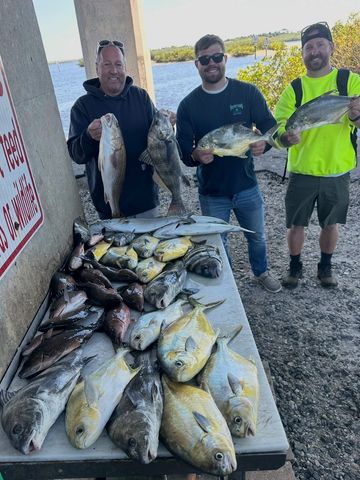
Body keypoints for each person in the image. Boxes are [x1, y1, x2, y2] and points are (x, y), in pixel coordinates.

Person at [176, 34, 281, 293]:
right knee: (218, 242)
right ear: (196, 64)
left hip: (247, 185)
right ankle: (229, 282)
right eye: (204, 59)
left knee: (257, 236)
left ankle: (261, 272)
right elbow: (184, 152)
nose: (211, 63)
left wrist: (264, 144)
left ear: (225, 58)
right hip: (212, 192)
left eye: (216, 57)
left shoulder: (247, 92)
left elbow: (269, 127)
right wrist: (196, 156)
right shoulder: (188, 105)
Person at [275, 22, 360, 289]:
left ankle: (325, 265)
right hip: (303, 171)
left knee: (331, 223)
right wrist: (285, 137)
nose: (315, 51)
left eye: (320, 44)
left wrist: (356, 114)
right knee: (296, 224)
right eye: (308, 47)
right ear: (302, 53)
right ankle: (295, 266)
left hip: (337, 170)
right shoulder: (294, 89)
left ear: (331, 47)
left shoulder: (350, 82)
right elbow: (279, 125)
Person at [67, 40, 160, 219]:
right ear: (97, 67)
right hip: (109, 207)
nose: (114, 70)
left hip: (146, 202)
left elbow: (157, 137)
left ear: (125, 67)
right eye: (107, 64)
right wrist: (88, 136)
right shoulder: (82, 107)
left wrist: (166, 124)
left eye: (118, 64)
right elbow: (76, 155)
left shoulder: (141, 97)